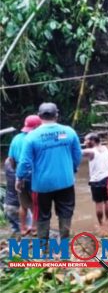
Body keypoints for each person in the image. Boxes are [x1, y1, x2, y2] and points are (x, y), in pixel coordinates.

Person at [16, 103, 82, 242]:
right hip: (66, 182)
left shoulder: (32, 137)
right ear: (56, 115)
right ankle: (64, 243)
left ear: (39, 116)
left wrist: (19, 178)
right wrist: (72, 170)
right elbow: (77, 156)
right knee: (66, 212)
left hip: (41, 185)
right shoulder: (69, 132)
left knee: (42, 215)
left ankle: (43, 248)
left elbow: (25, 162)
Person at [8, 114, 42, 235]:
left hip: (20, 176)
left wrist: (17, 175)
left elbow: (11, 159)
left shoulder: (16, 138)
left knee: (23, 205)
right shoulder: (36, 139)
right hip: (34, 176)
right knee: (36, 204)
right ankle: (34, 228)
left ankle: (22, 228)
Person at [82, 133, 108, 225]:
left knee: (99, 203)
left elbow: (75, 152)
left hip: (96, 181)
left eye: (86, 140)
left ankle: (101, 224)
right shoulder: (105, 148)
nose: (84, 142)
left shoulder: (91, 151)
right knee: (107, 201)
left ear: (93, 141)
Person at [4, 159, 20, 234]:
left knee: (15, 229)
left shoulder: (7, 165)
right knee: (25, 229)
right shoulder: (18, 178)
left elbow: (7, 162)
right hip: (15, 206)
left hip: (7, 205)